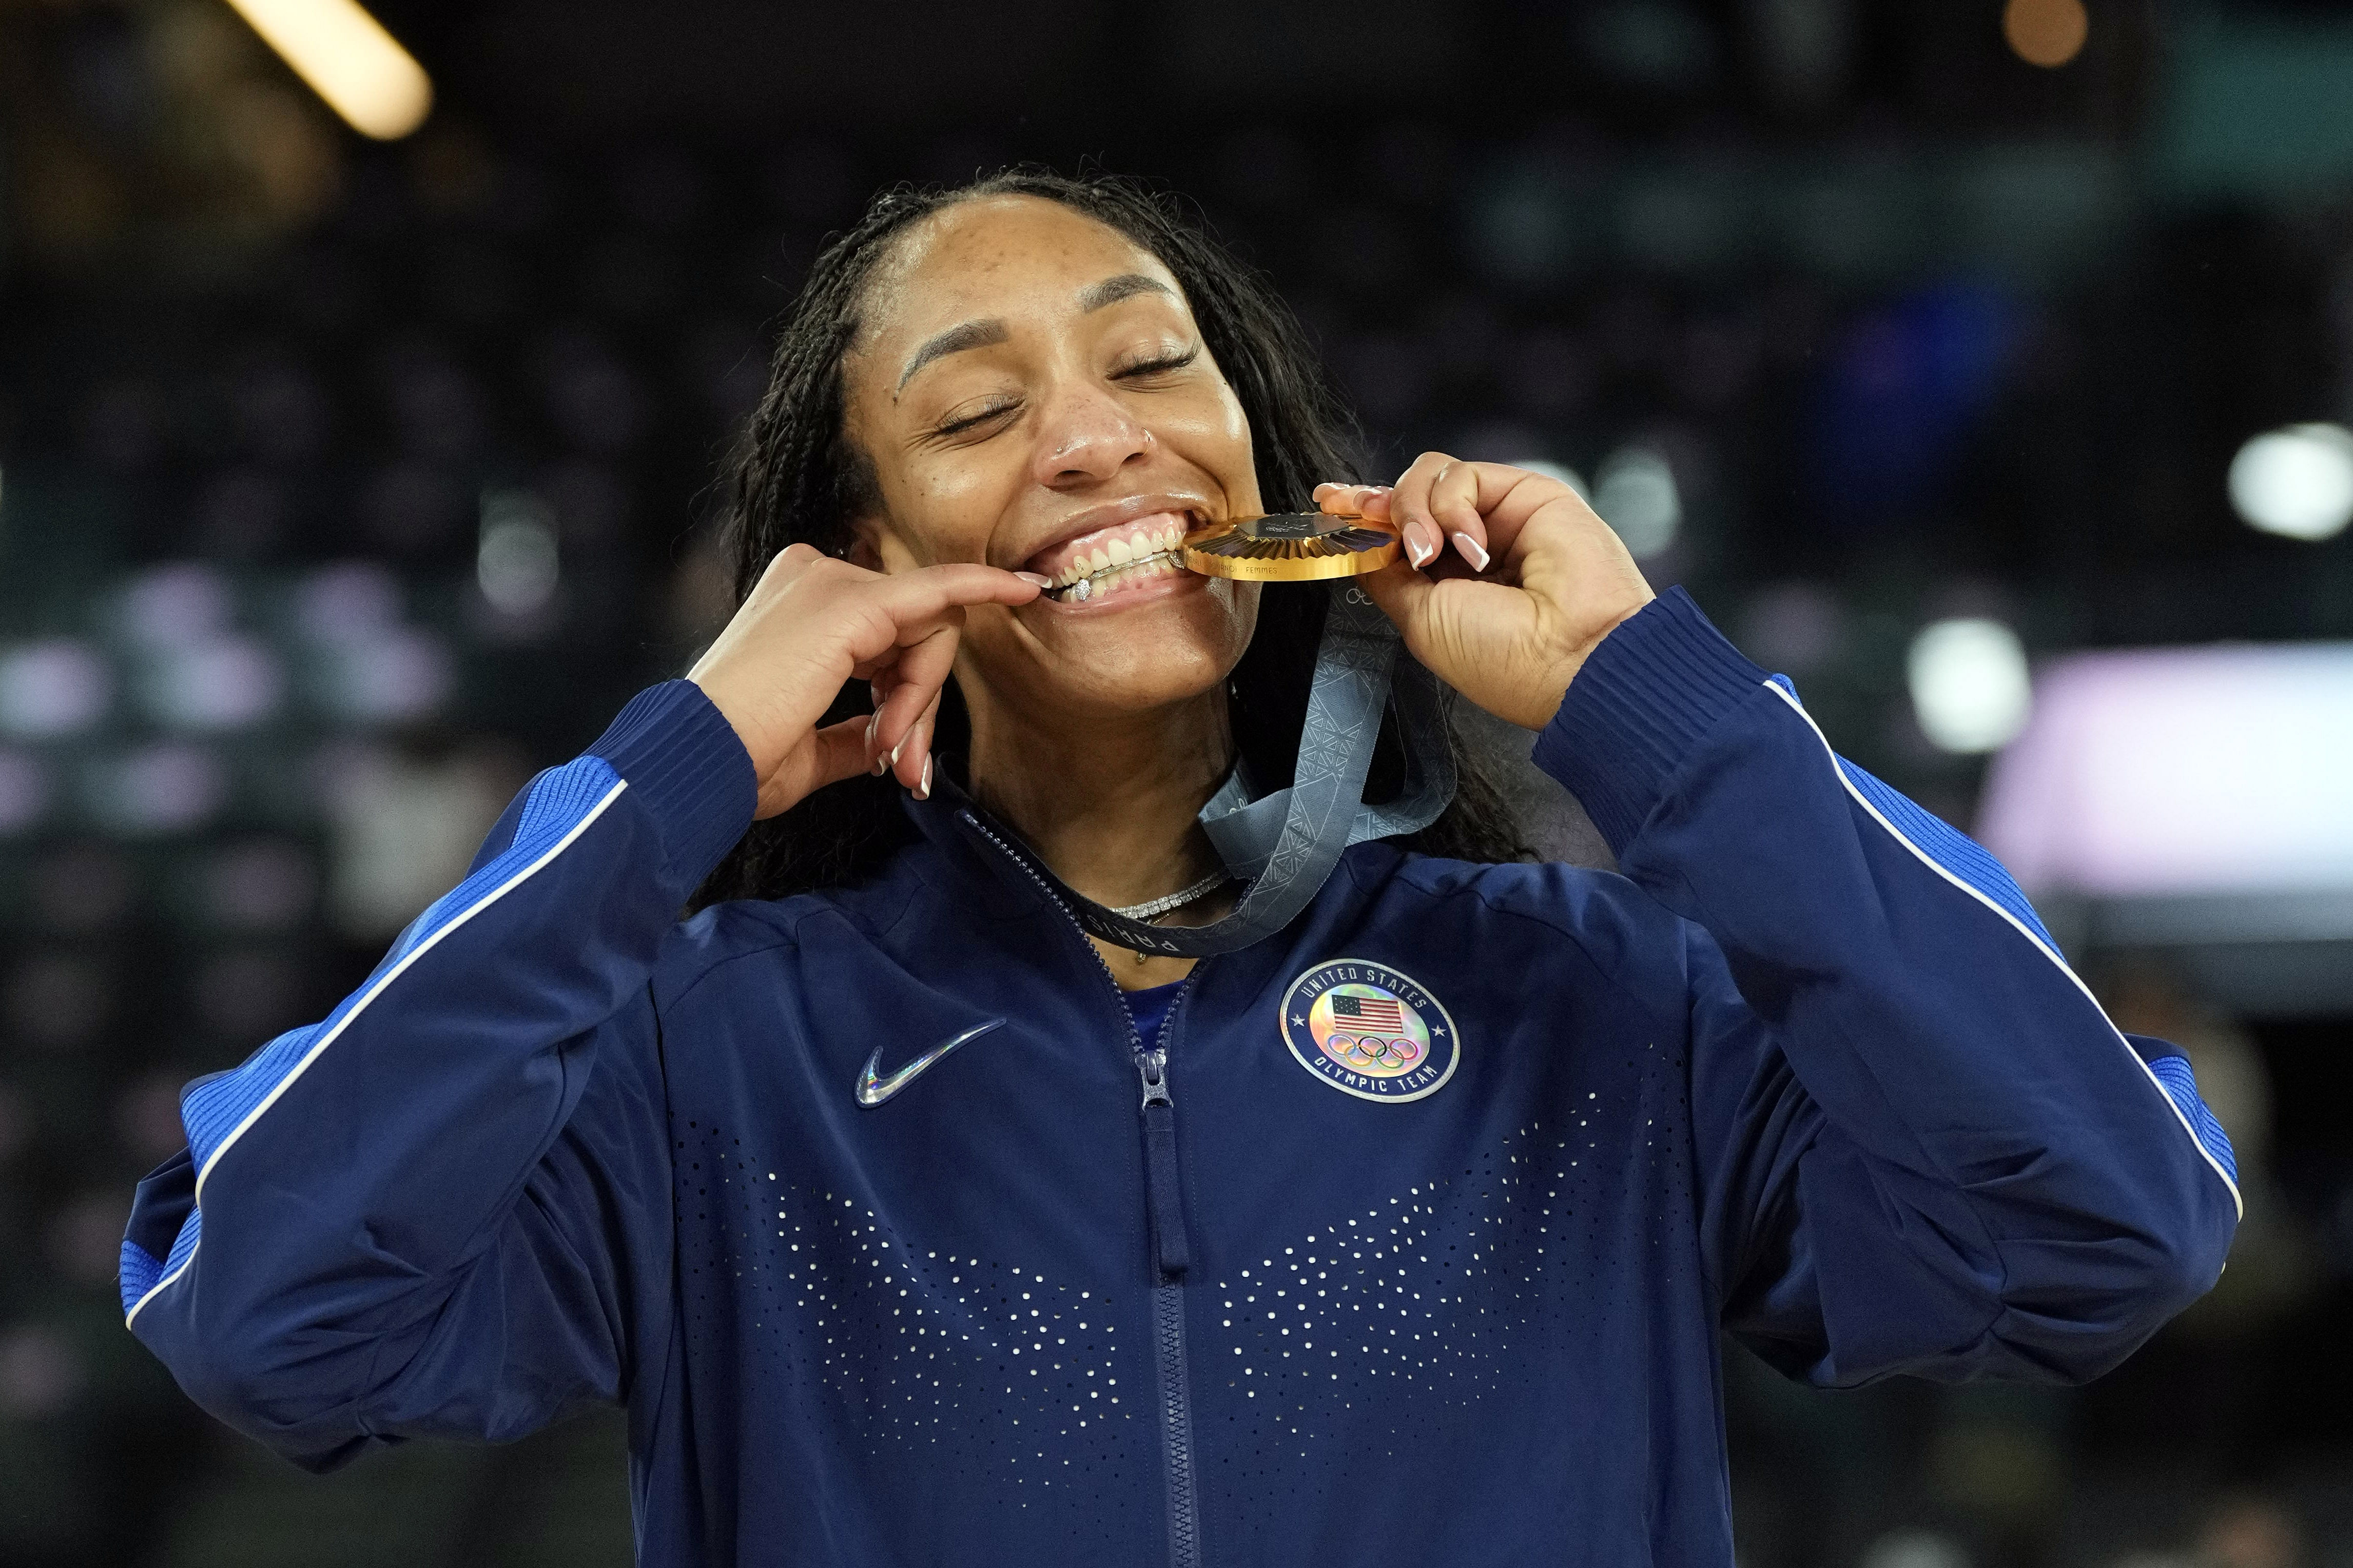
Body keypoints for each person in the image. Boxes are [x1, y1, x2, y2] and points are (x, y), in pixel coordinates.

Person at [119, 170, 2240, 1567]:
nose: (1093, 435)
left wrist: (1647, 706)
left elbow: (2109, 1223)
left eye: (1153, 364)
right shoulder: (711, 1066)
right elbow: (263, 1310)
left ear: (1259, 464)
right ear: (861, 572)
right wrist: (665, 781)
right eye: (975, 410)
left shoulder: (1597, 1002)